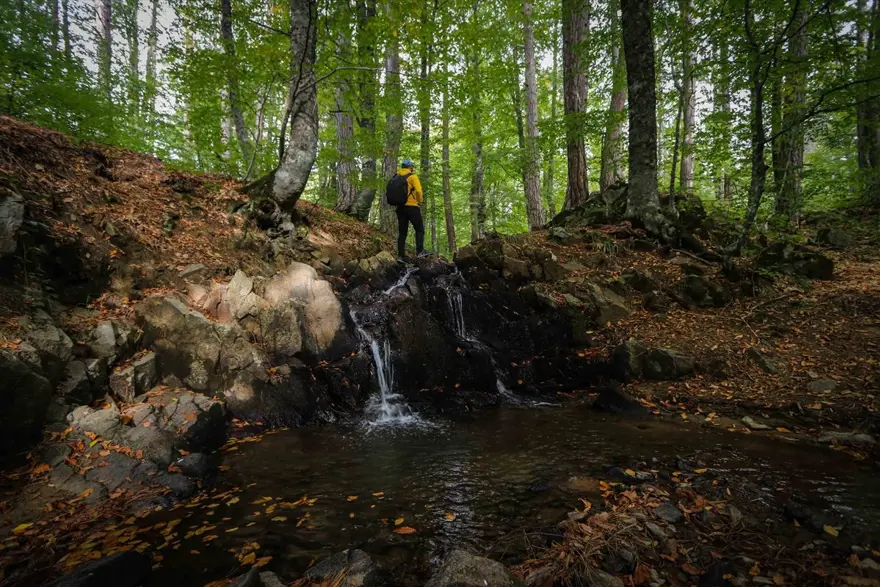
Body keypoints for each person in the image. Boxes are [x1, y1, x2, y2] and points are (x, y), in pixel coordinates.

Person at [393, 159, 429, 263]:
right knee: (419, 229)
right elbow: (418, 190)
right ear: (410, 167)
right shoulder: (413, 176)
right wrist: (420, 201)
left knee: (402, 232)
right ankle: (420, 252)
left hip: (400, 208)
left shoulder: (396, 176)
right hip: (412, 207)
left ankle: (400, 256)